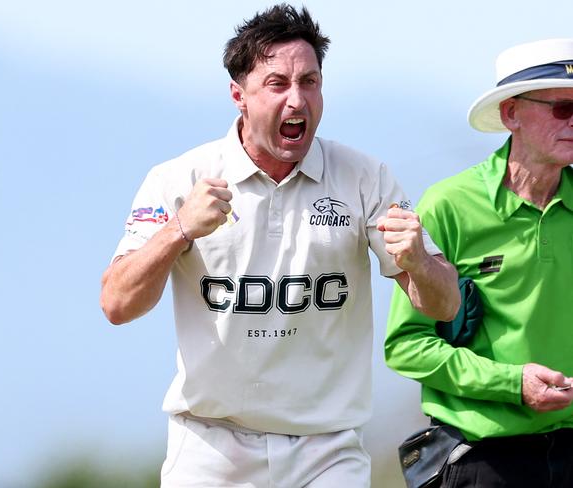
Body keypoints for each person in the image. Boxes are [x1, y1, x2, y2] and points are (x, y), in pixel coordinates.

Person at [100, 4, 459, 487]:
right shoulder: (178, 179)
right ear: (238, 96)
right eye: (277, 84)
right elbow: (117, 303)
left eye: (310, 82)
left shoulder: (364, 177)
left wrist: (417, 261)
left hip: (327, 449)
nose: (297, 100)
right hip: (210, 447)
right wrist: (179, 230)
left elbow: (445, 303)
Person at [385, 38, 573, 487]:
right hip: (482, 462)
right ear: (511, 114)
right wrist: (511, 384)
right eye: (563, 109)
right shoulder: (450, 205)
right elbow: (407, 346)